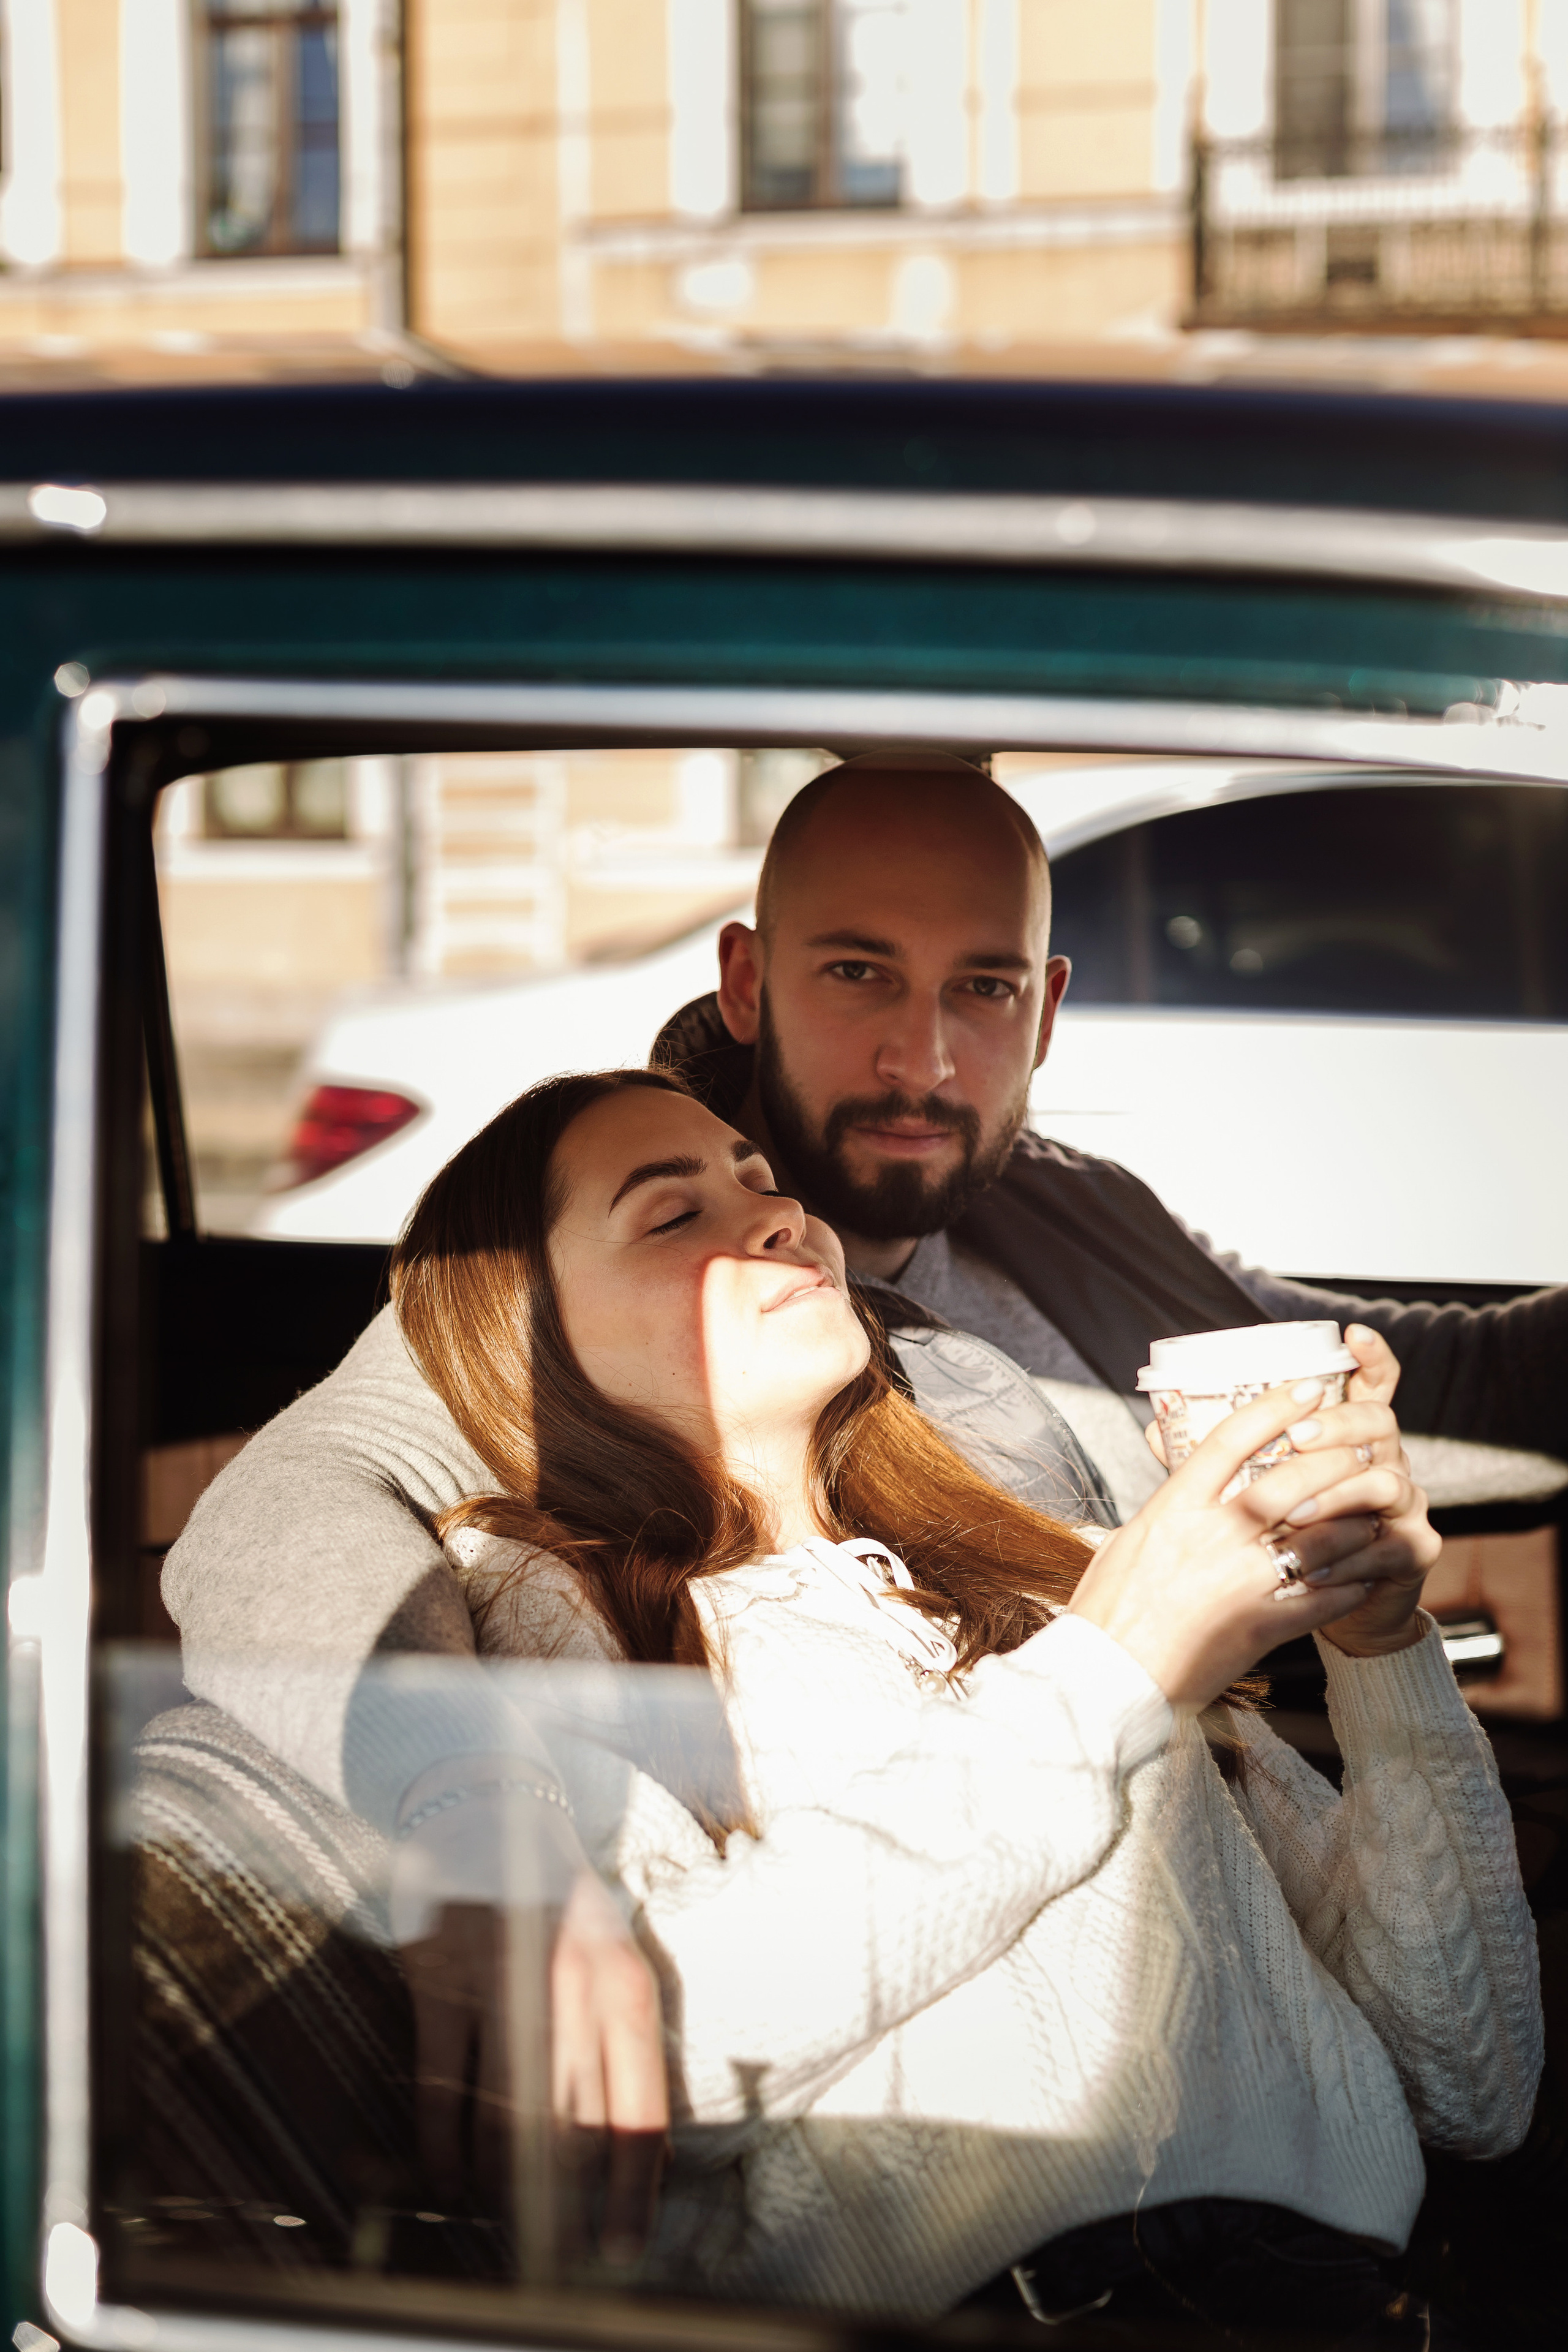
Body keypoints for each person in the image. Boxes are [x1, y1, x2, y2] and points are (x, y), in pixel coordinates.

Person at [377, 1065, 1541, 2328]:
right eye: (671, 1215)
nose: (776, 1216)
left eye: (759, 1181)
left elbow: (1470, 2090)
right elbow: (663, 2054)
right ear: (529, 1337)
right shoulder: (554, 1601)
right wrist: (1116, 1670)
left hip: (1348, 2294)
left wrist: (1381, 1654)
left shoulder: (1051, 1582)